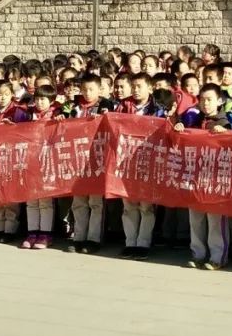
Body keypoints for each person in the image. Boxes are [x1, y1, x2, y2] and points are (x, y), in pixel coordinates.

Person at [176, 84, 232, 269]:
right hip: (195, 174)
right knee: (196, 217)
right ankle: (198, 253)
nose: (205, 103)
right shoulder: (193, 120)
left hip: (216, 177)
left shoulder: (226, 121)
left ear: (219, 100)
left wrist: (226, 134)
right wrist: (179, 127)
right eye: (202, 100)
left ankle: (217, 256)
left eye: (209, 99)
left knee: (215, 219)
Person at [67, 72, 112, 254]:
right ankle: (79, 236)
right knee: (79, 201)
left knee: (95, 202)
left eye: (91, 89)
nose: (87, 93)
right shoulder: (73, 107)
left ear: (99, 89)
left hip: (97, 158)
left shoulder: (106, 105)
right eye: (84, 89)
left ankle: (93, 238)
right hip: (77, 157)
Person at [121, 73, 160, 260]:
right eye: (133, 86)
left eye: (140, 86)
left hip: (148, 161)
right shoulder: (123, 106)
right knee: (128, 205)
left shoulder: (157, 108)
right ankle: (130, 242)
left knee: (146, 206)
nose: (136, 90)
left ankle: (143, 243)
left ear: (150, 88)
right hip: (125, 161)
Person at [0, 81, 28, 243]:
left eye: (6, 94)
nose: (2, 97)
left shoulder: (18, 111)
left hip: (12, 158)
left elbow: (26, 132)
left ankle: (10, 230)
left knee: (10, 196)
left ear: (12, 94)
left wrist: (14, 127)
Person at [22, 86, 63, 250]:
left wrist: (61, 121)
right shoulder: (28, 115)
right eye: (37, 99)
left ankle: (46, 234)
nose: (39, 102)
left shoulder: (57, 115)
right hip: (30, 160)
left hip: (48, 161)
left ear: (51, 101)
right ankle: (32, 232)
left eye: (43, 99)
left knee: (45, 200)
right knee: (31, 200)